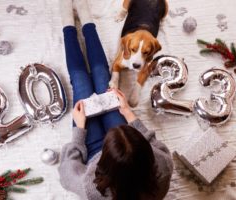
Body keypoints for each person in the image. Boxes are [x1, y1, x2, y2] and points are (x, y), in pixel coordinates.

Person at [58, 0, 173, 199]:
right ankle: (87, 22)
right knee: (104, 76)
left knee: (81, 81)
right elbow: (158, 146)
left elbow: (66, 172)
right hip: (119, 150)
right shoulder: (162, 169)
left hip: (93, 148)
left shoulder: (93, 188)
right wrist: (129, 114)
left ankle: (68, 26)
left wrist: (78, 131)